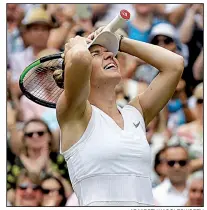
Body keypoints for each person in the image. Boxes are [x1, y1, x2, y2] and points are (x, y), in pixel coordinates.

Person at [52, 24, 184, 206]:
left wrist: (120, 42)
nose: (109, 55)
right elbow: (80, 57)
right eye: (96, 53)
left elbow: (175, 64)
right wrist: (77, 44)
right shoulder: (73, 112)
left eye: (111, 52)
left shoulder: (135, 113)